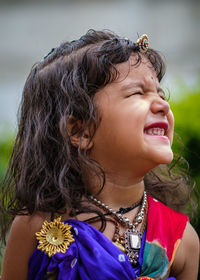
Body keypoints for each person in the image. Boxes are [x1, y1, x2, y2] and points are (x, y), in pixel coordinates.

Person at [0, 29, 199, 280]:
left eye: (160, 93)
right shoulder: (36, 226)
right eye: (137, 93)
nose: (163, 105)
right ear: (80, 130)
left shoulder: (183, 239)